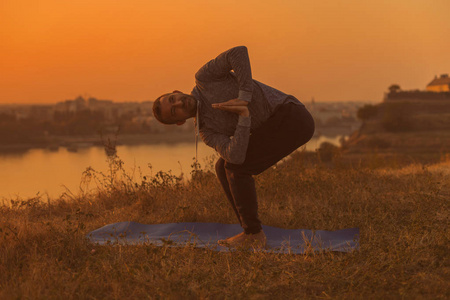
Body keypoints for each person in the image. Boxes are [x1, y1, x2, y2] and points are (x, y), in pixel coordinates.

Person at [152, 46, 315, 249]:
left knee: (235, 170)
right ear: (179, 122)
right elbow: (235, 156)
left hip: (293, 117)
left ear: (176, 92)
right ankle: (250, 231)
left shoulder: (205, 78)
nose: (178, 104)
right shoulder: (206, 131)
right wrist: (243, 117)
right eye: (174, 111)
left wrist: (244, 96)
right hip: (273, 127)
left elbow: (238, 52)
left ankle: (254, 234)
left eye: (172, 99)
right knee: (223, 166)